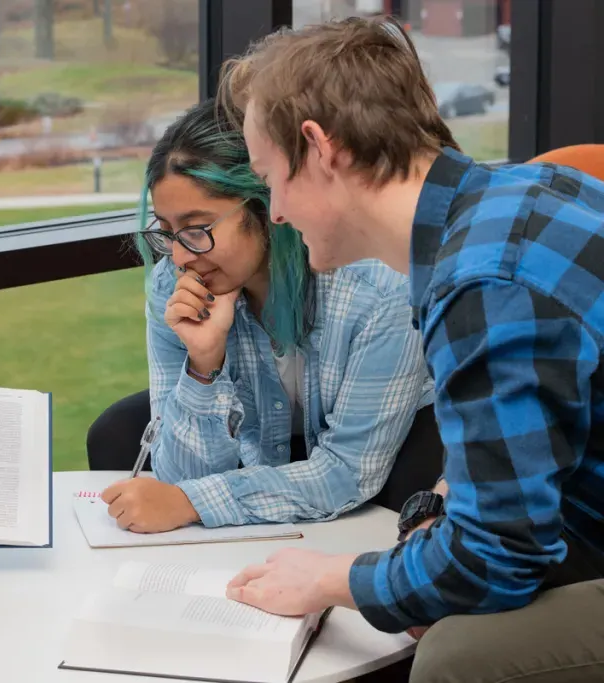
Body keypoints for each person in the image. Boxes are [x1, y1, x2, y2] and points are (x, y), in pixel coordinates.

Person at [219, 16, 604, 683]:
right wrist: (437, 527)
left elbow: (496, 558)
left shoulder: (483, 279)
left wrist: (331, 578)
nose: (274, 211)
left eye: (270, 176)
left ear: (318, 147)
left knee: (457, 659)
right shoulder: (526, 196)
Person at [96, 98, 442, 534]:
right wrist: (204, 364)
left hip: (387, 447)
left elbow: (348, 474)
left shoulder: (377, 287)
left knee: (422, 465)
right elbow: (177, 477)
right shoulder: (174, 284)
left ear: (268, 207)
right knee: (115, 429)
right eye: (167, 233)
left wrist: (191, 503)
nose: (181, 256)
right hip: (264, 446)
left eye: (197, 229)